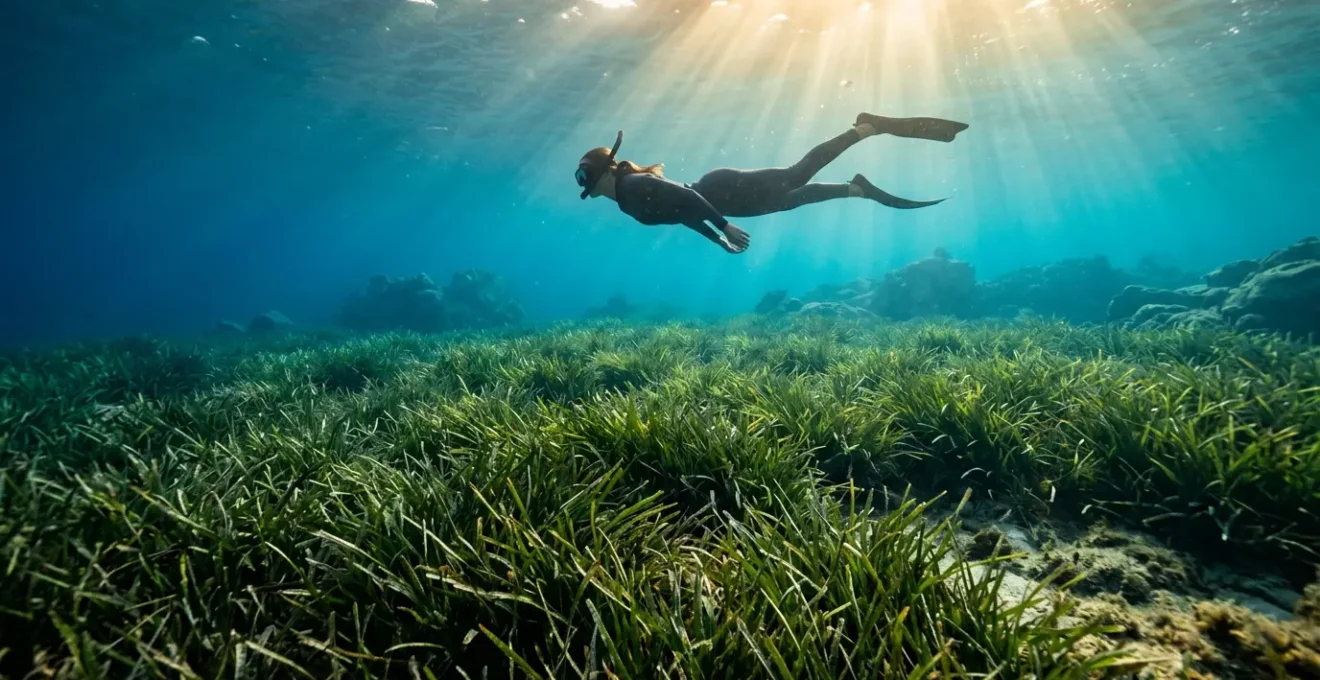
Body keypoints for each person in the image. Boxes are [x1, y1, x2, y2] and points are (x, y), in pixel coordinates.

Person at [574, 113, 968, 254]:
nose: (590, 188)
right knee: (788, 200)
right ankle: (856, 188)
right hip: (722, 201)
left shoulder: (633, 187)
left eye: (589, 179)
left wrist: (724, 226)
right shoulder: (625, 202)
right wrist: (720, 239)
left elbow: (685, 195)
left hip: (722, 189)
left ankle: (866, 127)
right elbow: (683, 215)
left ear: (607, 171)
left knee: (795, 176)